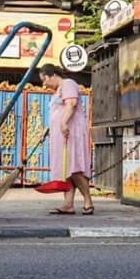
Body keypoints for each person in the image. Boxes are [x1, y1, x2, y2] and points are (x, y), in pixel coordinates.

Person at [39, 64, 93, 215]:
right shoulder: (57, 91)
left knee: (75, 169)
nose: (44, 84)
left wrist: (63, 123)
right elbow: (58, 112)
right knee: (66, 170)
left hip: (71, 132)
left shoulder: (68, 84)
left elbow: (71, 104)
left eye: (44, 80)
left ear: (52, 75)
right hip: (62, 134)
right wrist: (48, 129)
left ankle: (88, 202)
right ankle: (68, 204)